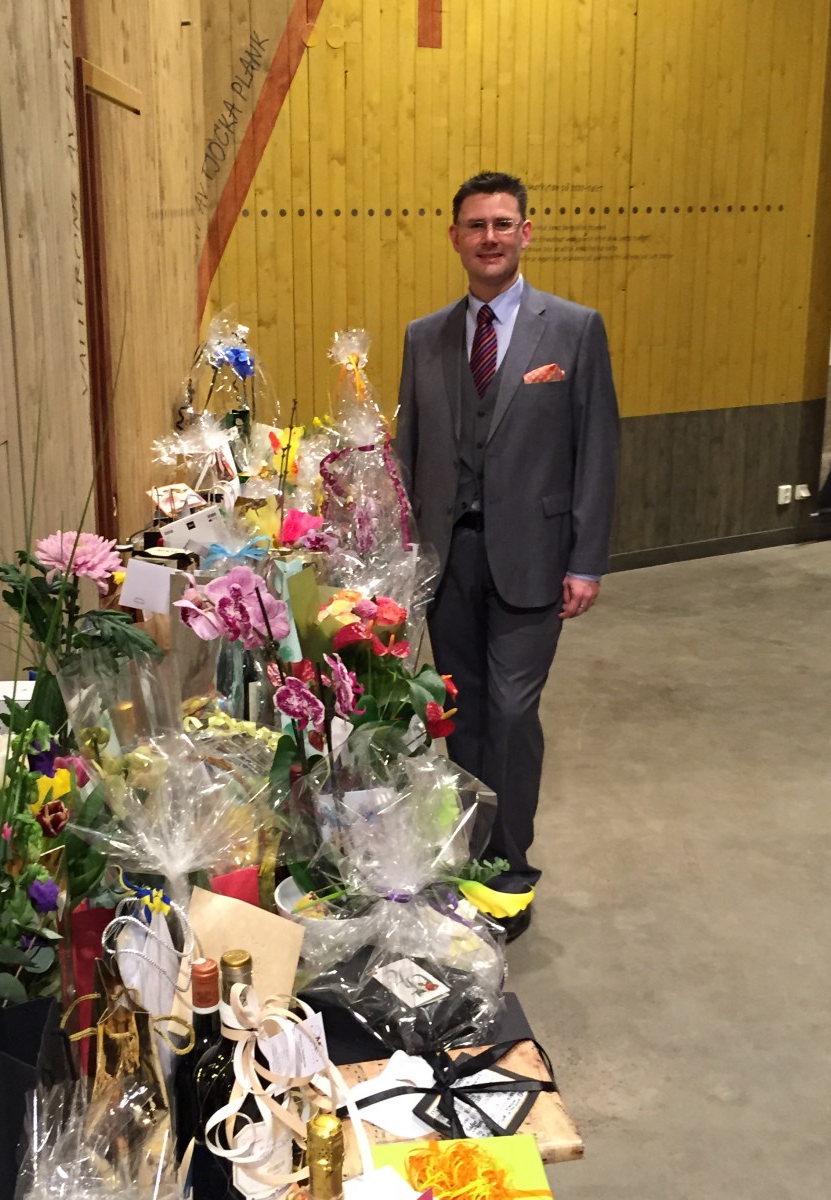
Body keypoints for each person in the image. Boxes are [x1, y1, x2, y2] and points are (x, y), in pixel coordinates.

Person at [395, 171, 619, 938]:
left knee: (514, 714)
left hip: (534, 558)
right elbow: (408, 451)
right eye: (475, 225)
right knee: (459, 716)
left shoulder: (573, 329)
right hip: (447, 561)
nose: (488, 237)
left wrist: (585, 561)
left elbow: (596, 450)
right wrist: (401, 561)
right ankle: (469, 859)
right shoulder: (423, 337)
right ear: (454, 237)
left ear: (524, 232)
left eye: (501, 224)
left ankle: (511, 869)